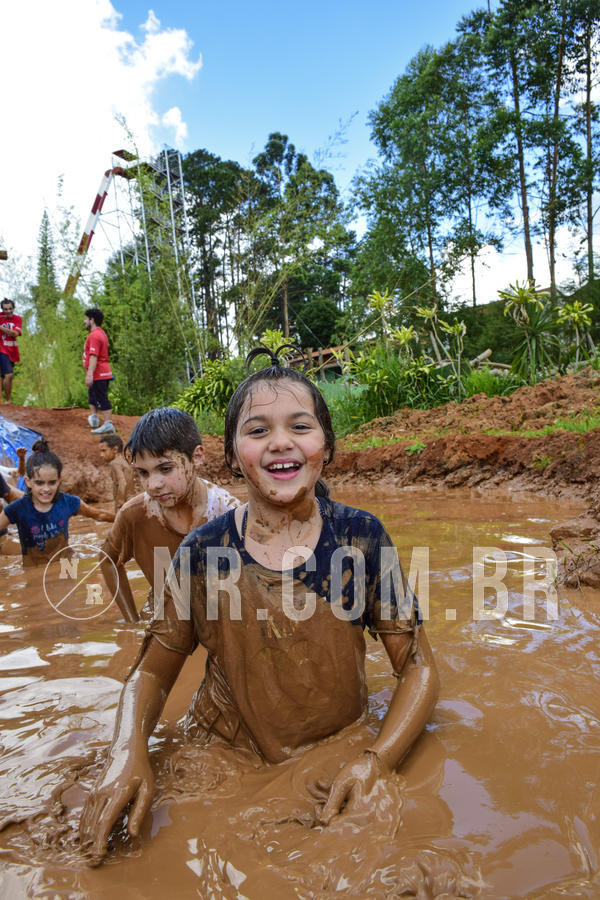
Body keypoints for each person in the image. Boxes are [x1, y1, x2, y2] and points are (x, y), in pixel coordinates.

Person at [80, 348, 439, 863]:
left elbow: (420, 666)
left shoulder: (360, 539)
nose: (280, 442)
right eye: (257, 431)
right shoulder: (201, 554)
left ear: (326, 447)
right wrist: (126, 754)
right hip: (225, 749)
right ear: (231, 456)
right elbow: (152, 675)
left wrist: (376, 760)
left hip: (339, 745)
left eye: (300, 425)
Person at [99, 407, 241, 623]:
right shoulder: (134, 515)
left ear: (197, 457)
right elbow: (107, 560)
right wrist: (132, 623)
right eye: (143, 473)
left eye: (165, 469)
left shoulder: (228, 513)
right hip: (164, 620)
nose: (153, 485)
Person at [0, 439, 114, 567]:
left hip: (67, 565)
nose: (46, 489)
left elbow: (99, 515)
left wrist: (125, 520)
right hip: (34, 569)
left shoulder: (68, 502)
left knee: (68, 582)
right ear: (28, 482)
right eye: (39, 483)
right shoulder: (17, 508)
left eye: (52, 482)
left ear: (59, 480)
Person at [83, 308, 115, 435]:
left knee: (101, 397)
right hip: (102, 372)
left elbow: (93, 356)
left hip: (99, 373)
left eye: (86, 318)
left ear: (92, 320)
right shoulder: (101, 333)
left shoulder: (95, 335)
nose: (84, 321)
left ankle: (108, 424)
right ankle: (94, 419)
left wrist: (90, 374)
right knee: (94, 394)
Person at [98, 433, 137, 514]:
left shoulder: (115, 463)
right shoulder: (123, 462)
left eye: (104, 451)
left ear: (115, 449)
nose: (101, 455)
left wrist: (120, 504)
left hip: (125, 504)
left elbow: (122, 483)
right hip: (133, 501)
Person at [0, 298, 22, 403]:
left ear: (13, 308)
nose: (8, 311)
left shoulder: (17, 319)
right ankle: (8, 401)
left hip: (12, 350)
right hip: (2, 349)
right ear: (2, 310)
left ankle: (3, 401)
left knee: (4, 377)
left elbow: (15, 333)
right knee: (9, 375)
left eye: (10, 309)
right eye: (5, 309)